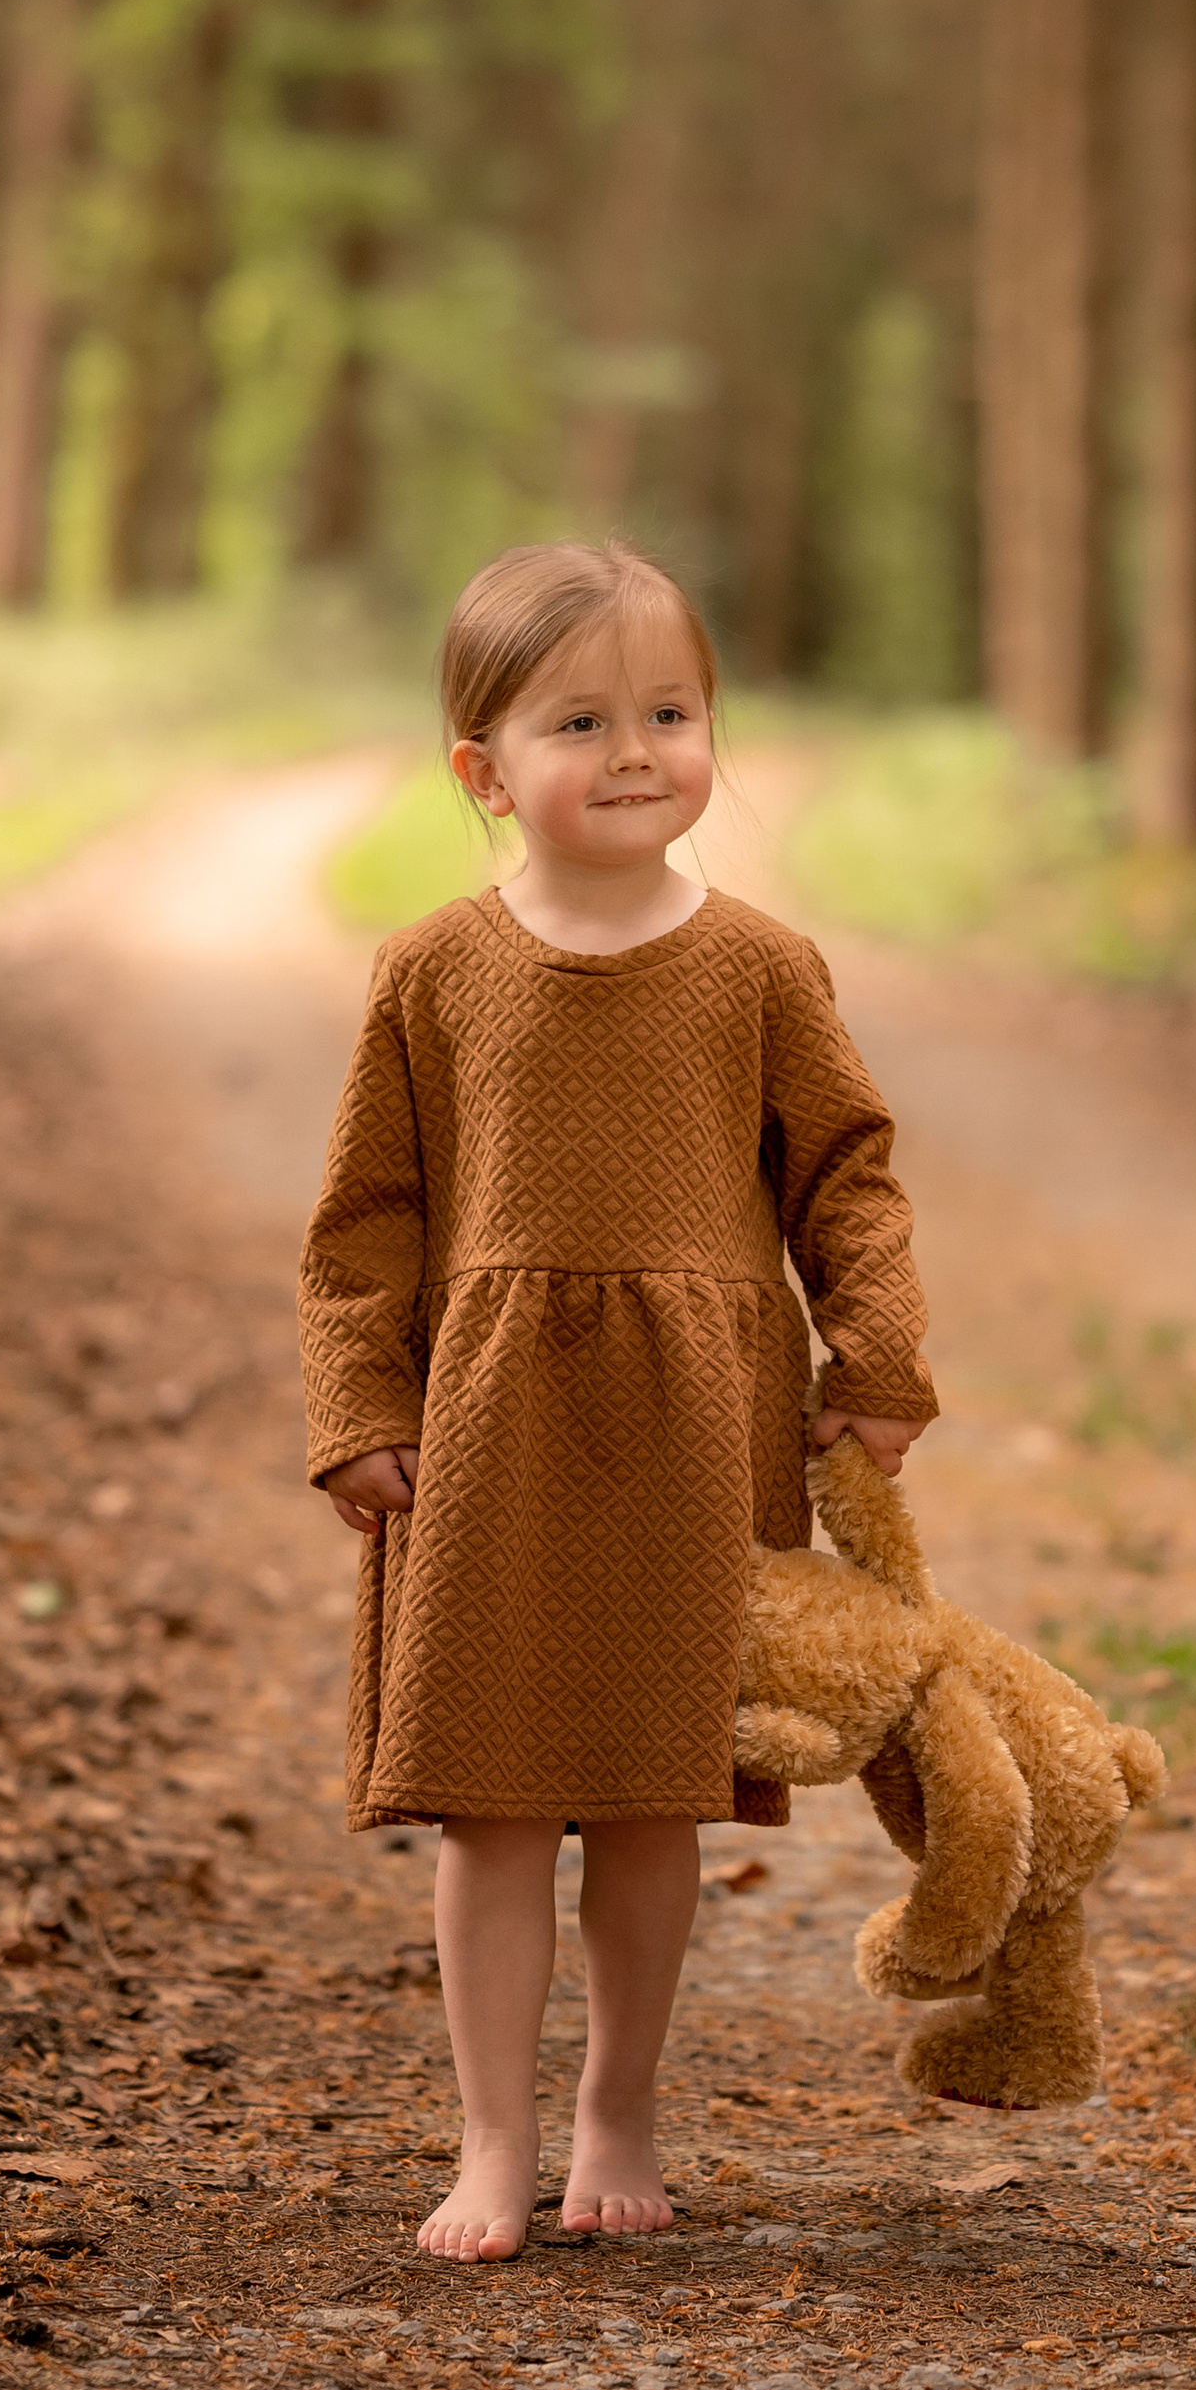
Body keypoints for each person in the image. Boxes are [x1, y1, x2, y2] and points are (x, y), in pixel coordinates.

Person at [298, 538, 938, 2263]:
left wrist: (873, 1358)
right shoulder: (432, 972)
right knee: (497, 1799)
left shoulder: (758, 968)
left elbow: (849, 1182)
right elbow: (366, 1218)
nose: (638, 748)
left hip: (692, 1435)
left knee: (658, 1792)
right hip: (489, 1436)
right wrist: (359, 1400)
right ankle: (492, 2136)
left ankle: (619, 2102)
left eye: (672, 709)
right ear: (482, 772)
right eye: (582, 719)